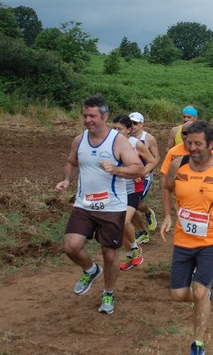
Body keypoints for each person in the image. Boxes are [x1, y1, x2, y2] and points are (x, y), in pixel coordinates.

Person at [160, 121, 213, 355]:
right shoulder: (179, 164)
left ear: (210, 144)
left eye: (198, 143)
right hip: (183, 239)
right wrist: (167, 215)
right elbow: (166, 186)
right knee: (178, 294)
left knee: (198, 289)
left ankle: (197, 342)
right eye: (189, 143)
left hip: (212, 239)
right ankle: (204, 296)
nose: (192, 147)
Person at [55, 94, 145, 315]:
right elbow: (71, 162)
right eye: (85, 115)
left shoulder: (118, 141)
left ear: (104, 116)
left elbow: (137, 168)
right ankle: (91, 270)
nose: (87, 120)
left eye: (92, 116)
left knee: (110, 254)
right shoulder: (79, 140)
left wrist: (116, 169)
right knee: (70, 246)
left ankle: (108, 292)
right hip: (84, 204)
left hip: (112, 207)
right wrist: (67, 179)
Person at [112, 115, 156, 271]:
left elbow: (152, 160)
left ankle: (136, 249)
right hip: (116, 189)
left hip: (133, 190)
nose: (116, 131)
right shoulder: (110, 144)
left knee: (123, 221)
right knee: (119, 226)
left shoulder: (135, 144)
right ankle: (131, 254)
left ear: (129, 130)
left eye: (120, 129)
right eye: (114, 128)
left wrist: (141, 172)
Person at [128, 112, 160, 244]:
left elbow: (156, 157)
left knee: (135, 204)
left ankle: (148, 213)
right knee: (128, 205)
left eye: (135, 123)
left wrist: (146, 171)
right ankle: (142, 232)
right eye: (130, 123)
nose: (132, 126)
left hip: (144, 176)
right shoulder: (123, 138)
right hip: (128, 176)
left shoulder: (149, 139)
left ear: (141, 124)